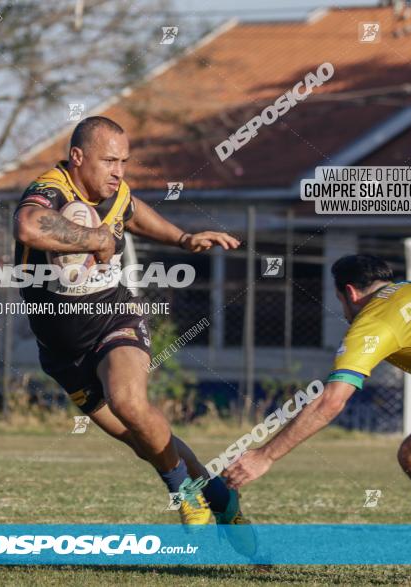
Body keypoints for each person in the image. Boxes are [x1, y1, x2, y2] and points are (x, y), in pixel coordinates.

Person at [13, 115, 251, 538]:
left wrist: (182, 238)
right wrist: (95, 240)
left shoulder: (115, 191)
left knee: (129, 402)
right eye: (109, 161)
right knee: (142, 439)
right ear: (77, 157)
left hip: (113, 318)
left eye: (124, 161)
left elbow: (134, 211)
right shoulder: (50, 189)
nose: (119, 171)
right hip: (62, 350)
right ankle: (218, 495)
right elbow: (29, 224)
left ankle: (182, 493)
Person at [224, 254, 411, 584]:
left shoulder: (374, 319)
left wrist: (265, 455)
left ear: (348, 293)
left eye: (338, 301)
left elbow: (331, 401)